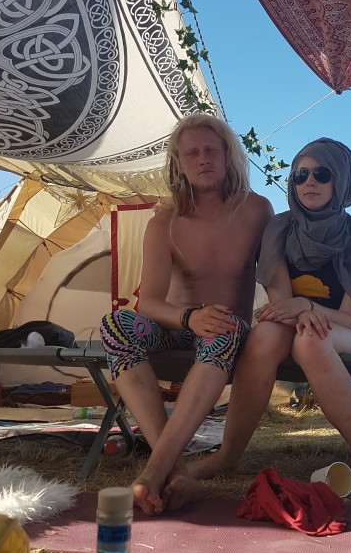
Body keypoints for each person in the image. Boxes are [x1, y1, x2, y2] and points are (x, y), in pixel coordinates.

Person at [192, 138, 351, 499]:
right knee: (265, 335)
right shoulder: (278, 229)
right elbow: (281, 307)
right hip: (294, 326)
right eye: (300, 175)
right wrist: (300, 310)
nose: (309, 182)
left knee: (311, 339)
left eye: (322, 173)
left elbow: (349, 318)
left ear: (342, 180)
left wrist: (307, 306)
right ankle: (228, 456)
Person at [99, 113, 273, 515]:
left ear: (228, 155)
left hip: (228, 332)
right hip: (178, 327)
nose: (203, 158)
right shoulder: (164, 222)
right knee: (116, 325)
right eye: (191, 152)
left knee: (223, 325)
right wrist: (189, 318)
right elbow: (148, 303)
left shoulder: (256, 210)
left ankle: (153, 472)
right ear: (178, 162)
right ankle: (174, 468)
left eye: (211, 149)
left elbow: (277, 274)